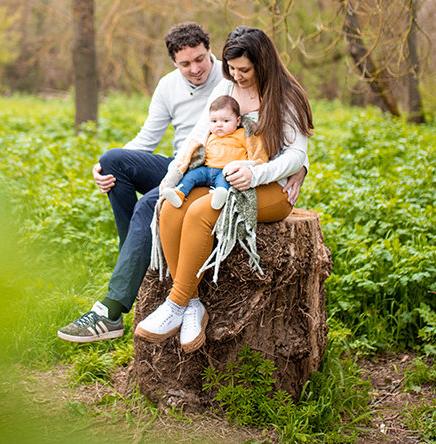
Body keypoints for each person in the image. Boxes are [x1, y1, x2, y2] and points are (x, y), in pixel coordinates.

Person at [134, 26, 314, 353]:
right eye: (231, 68)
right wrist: (175, 173)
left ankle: (174, 304)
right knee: (174, 207)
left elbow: (297, 155)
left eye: (244, 69)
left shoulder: (287, 96)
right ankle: (192, 306)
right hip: (224, 179)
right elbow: (200, 135)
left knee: (203, 211)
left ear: (264, 63)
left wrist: (256, 174)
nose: (237, 76)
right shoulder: (227, 88)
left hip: (270, 188)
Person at [56, 22, 224, 342]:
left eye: (200, 59)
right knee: (112, 161)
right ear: (174, 62)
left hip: (209, 173)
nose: (195, 69)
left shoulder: (228, 80)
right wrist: (99, 168)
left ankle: (111, 311)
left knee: (151, 203)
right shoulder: (168, 86)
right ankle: (132, 256)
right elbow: (147, 140)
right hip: (177, 168)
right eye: (185, 64)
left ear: (209, 49)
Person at [160, 95, 267, 210]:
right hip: (206, 169)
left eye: (225, 121)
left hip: (225, 171)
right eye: (214, 121)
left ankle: (219, 196)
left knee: (223, 183)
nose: (219, 125)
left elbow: (254, 150)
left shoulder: (241, 134)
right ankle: (179, 194)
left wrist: (249, 165)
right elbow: (194, 151)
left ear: (237, 121)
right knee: (190, 177)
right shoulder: (210, 136)